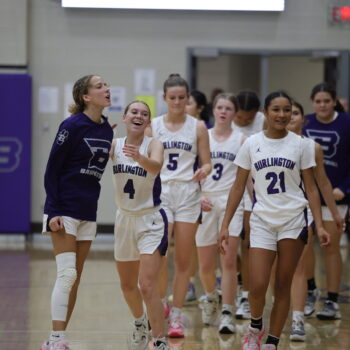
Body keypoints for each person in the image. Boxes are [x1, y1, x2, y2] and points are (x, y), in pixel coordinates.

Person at [219, 91, 330, 350]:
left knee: (283, 283)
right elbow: (237, 187)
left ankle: (272, 341)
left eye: (287, 110)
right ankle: (256, 325)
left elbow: (311, 188)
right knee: (257, 284)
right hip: (262, 220)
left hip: (293, 220)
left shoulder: (301, 144)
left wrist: (320, 224)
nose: (282, 115)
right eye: (276, 110)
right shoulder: (251, 143)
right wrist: (225, 225)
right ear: (266, 113)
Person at [40, 75, 114, 350]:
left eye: (106, 84)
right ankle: (58, 340)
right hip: (63, 209)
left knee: (75, 278)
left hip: (88, 211)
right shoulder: (71, 126)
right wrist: (53, 209)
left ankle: (53, 338)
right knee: (67, 275)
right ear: (86, 96)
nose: (106, 88)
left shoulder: (106, 129)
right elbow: (51, 170)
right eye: (99, 86)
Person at [147, 73, 211, 338]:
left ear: (187, 99)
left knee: (184, 259)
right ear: (164, 98)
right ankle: (161, 303)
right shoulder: (153, 125)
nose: (176, 102)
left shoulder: (197, 127)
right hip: (161, 192)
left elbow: (207, 162)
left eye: (181, 98)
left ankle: (176, 313)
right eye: (172, 98)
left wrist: (203, 170)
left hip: (188, 193)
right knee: (161, 256)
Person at [111, 101, 168, 350]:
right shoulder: (113, 144)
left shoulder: (153, 144)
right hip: (124, 219)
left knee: (147, 285)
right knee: (127, 285)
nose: (139, 116)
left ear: (148, 122)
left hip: (151, 220)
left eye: (144, 114)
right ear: (125, 118)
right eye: (134, 112)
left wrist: (139, 157)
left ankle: (160, 339)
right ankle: (139, 324)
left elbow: (156, 166)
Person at [286, 101, 344, 341]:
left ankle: (299, 315)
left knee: (301, 260)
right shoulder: (263, 144)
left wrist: (335, 212)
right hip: (275, 211)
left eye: (295, 112)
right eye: (283, 111)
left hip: (305, 209)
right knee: (278, 271)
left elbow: (322, 183)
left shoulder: (310, 147)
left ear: (303, 119)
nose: (289, 116)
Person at [195, 93, 245, 334]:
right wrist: (197, 195)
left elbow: (248, 178)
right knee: (205, 265)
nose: (224, 111)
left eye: (228, 108)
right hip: (205, 201)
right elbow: (189, 171)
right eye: (220, 107)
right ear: (213, 111)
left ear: (235, 113)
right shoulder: (202, 136)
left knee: (228, 259)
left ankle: (227, 313)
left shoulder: (242, 140)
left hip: (231, 203)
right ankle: (210, 297)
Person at [303, 83, 350, 320]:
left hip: (335, 197)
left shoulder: (346, 123)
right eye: (318, 101)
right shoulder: (305, 122)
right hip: (305, 197)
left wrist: (344, 188)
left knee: (331, 247)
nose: (322, 105)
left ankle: (332, 299)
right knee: (305, 245)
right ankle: (311, 291)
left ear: (334, 102)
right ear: (313, 102)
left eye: (326, 101)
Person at [233, 90, 265, 321]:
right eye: (241, 118)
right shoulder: (228, 123)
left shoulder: (264, 121)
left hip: (259, 187)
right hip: (233, 186)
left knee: (248, 242)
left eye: (248, 118)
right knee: (230, 244)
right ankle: (235, 282)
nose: (244, 121)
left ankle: (245, 293)